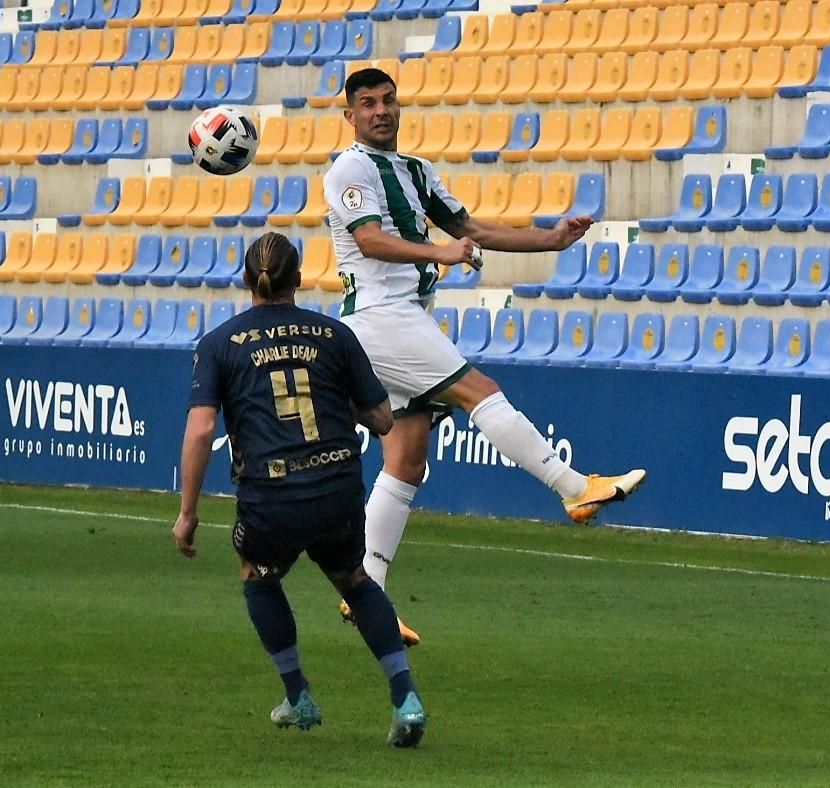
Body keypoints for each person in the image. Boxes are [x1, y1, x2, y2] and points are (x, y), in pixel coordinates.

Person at [324, 68, 647, 643]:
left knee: (407, 457)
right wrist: (440, 252)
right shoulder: (349, 169)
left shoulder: (415, 171)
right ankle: (575, 489)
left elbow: (471, 227)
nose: (380, 111)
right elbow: (370, 240)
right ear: (350, 116)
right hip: (379, 316)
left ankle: (364, 593)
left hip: (403, 316)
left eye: (388, 101)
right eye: (367, 104)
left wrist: (550, 240)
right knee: (481, 390)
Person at [172, 232, 427, 748]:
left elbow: (201, 430)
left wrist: (188, 513)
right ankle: (406, 700)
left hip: (272, 494)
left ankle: (299, 695)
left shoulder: (220, 344)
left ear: (247, 281)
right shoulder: (334, 335)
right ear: (300, 278)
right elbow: (381, 418)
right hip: (337, 486)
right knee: (355, 580)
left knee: (259, 576)